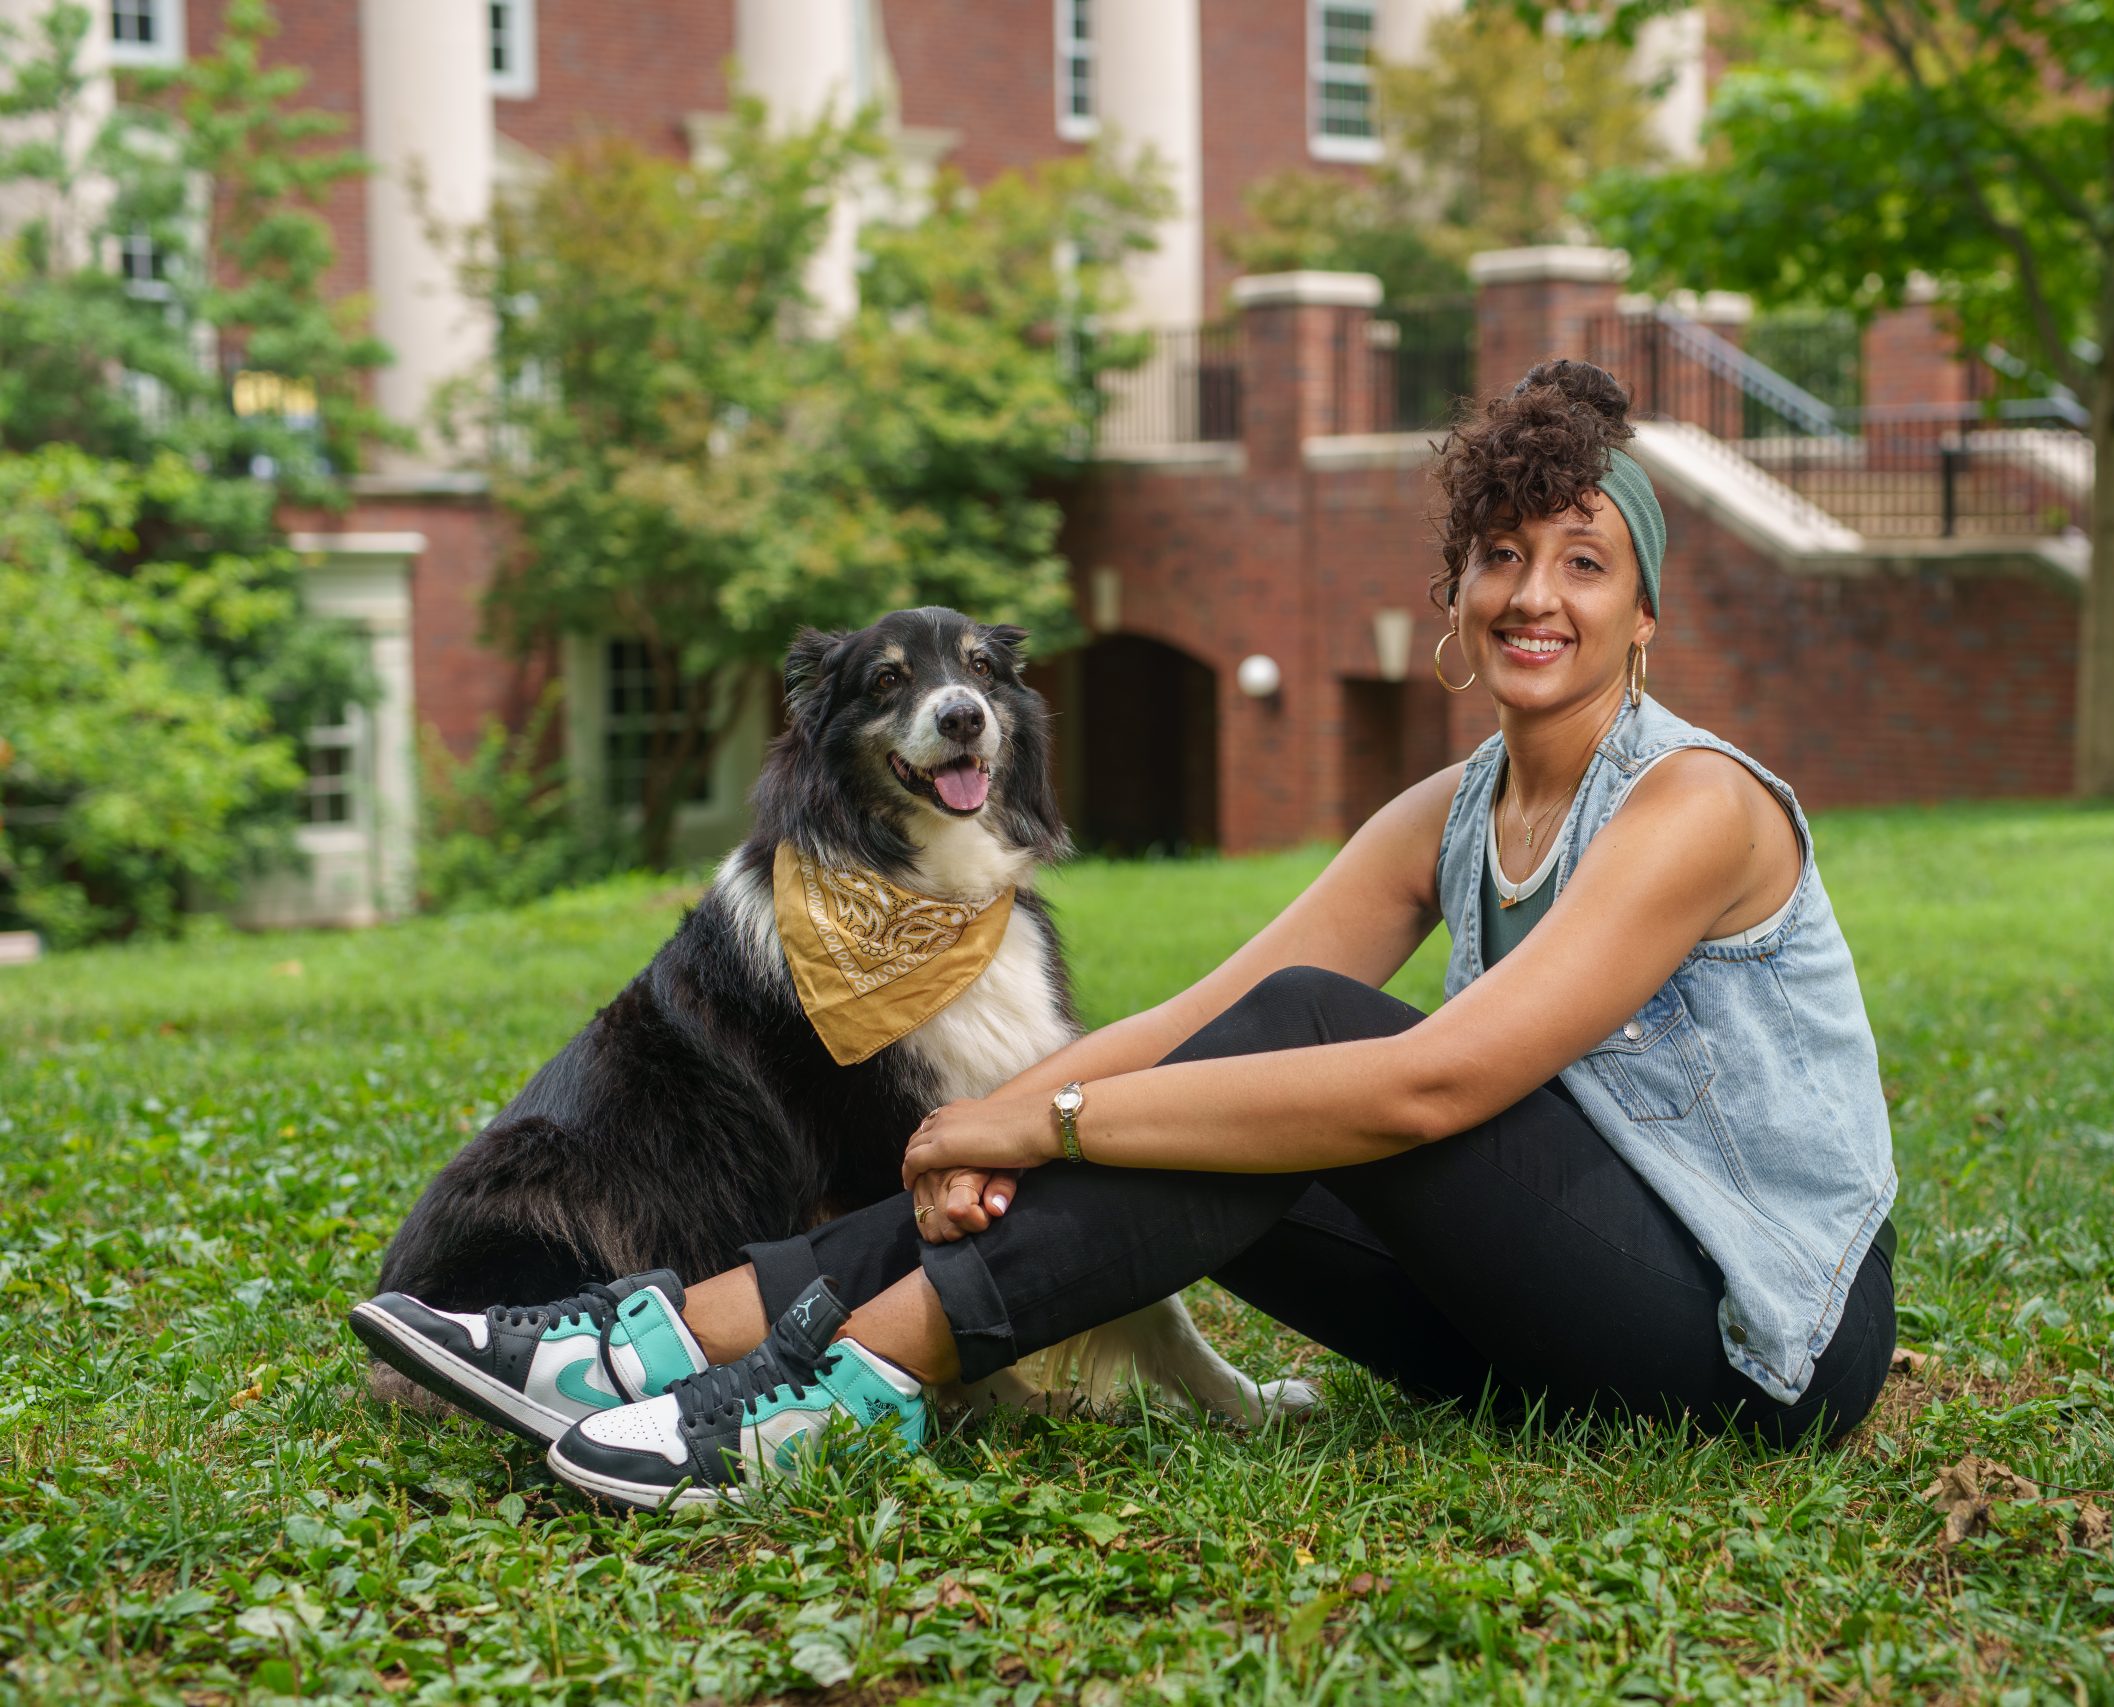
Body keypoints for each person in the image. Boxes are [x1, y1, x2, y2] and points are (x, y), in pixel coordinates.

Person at [355, 360, 1900, 1507]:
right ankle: (659, 1337)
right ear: (1458, 588)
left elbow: (1426, 1086)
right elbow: (1199, 1015)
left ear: (1647, 616)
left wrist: (1058, 1111)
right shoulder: (1453, 809)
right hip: (1517, 1333)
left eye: (1583, 561)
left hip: (1743, 1348)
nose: (1532, 596)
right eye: (1500, 555)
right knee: (1240, 1052)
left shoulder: (1696, 805)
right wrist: (1006, 1126)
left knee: (1312, 1037)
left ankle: (829, 1391)